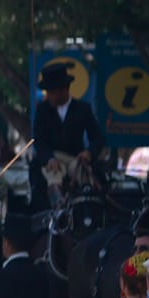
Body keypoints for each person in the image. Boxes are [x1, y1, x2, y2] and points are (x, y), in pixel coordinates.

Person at [28, 62, 102, 212]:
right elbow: (39, 140)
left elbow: (98, 137)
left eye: (51, 92)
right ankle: (58, 209)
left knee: (83, 176)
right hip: (54, 158)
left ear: (63, 90)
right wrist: (49, 158)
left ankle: (86, 210)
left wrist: (89, 152)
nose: (48, 96)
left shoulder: (83, 109)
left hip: (76, 158)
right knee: (53, 175)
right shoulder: (42, 111)